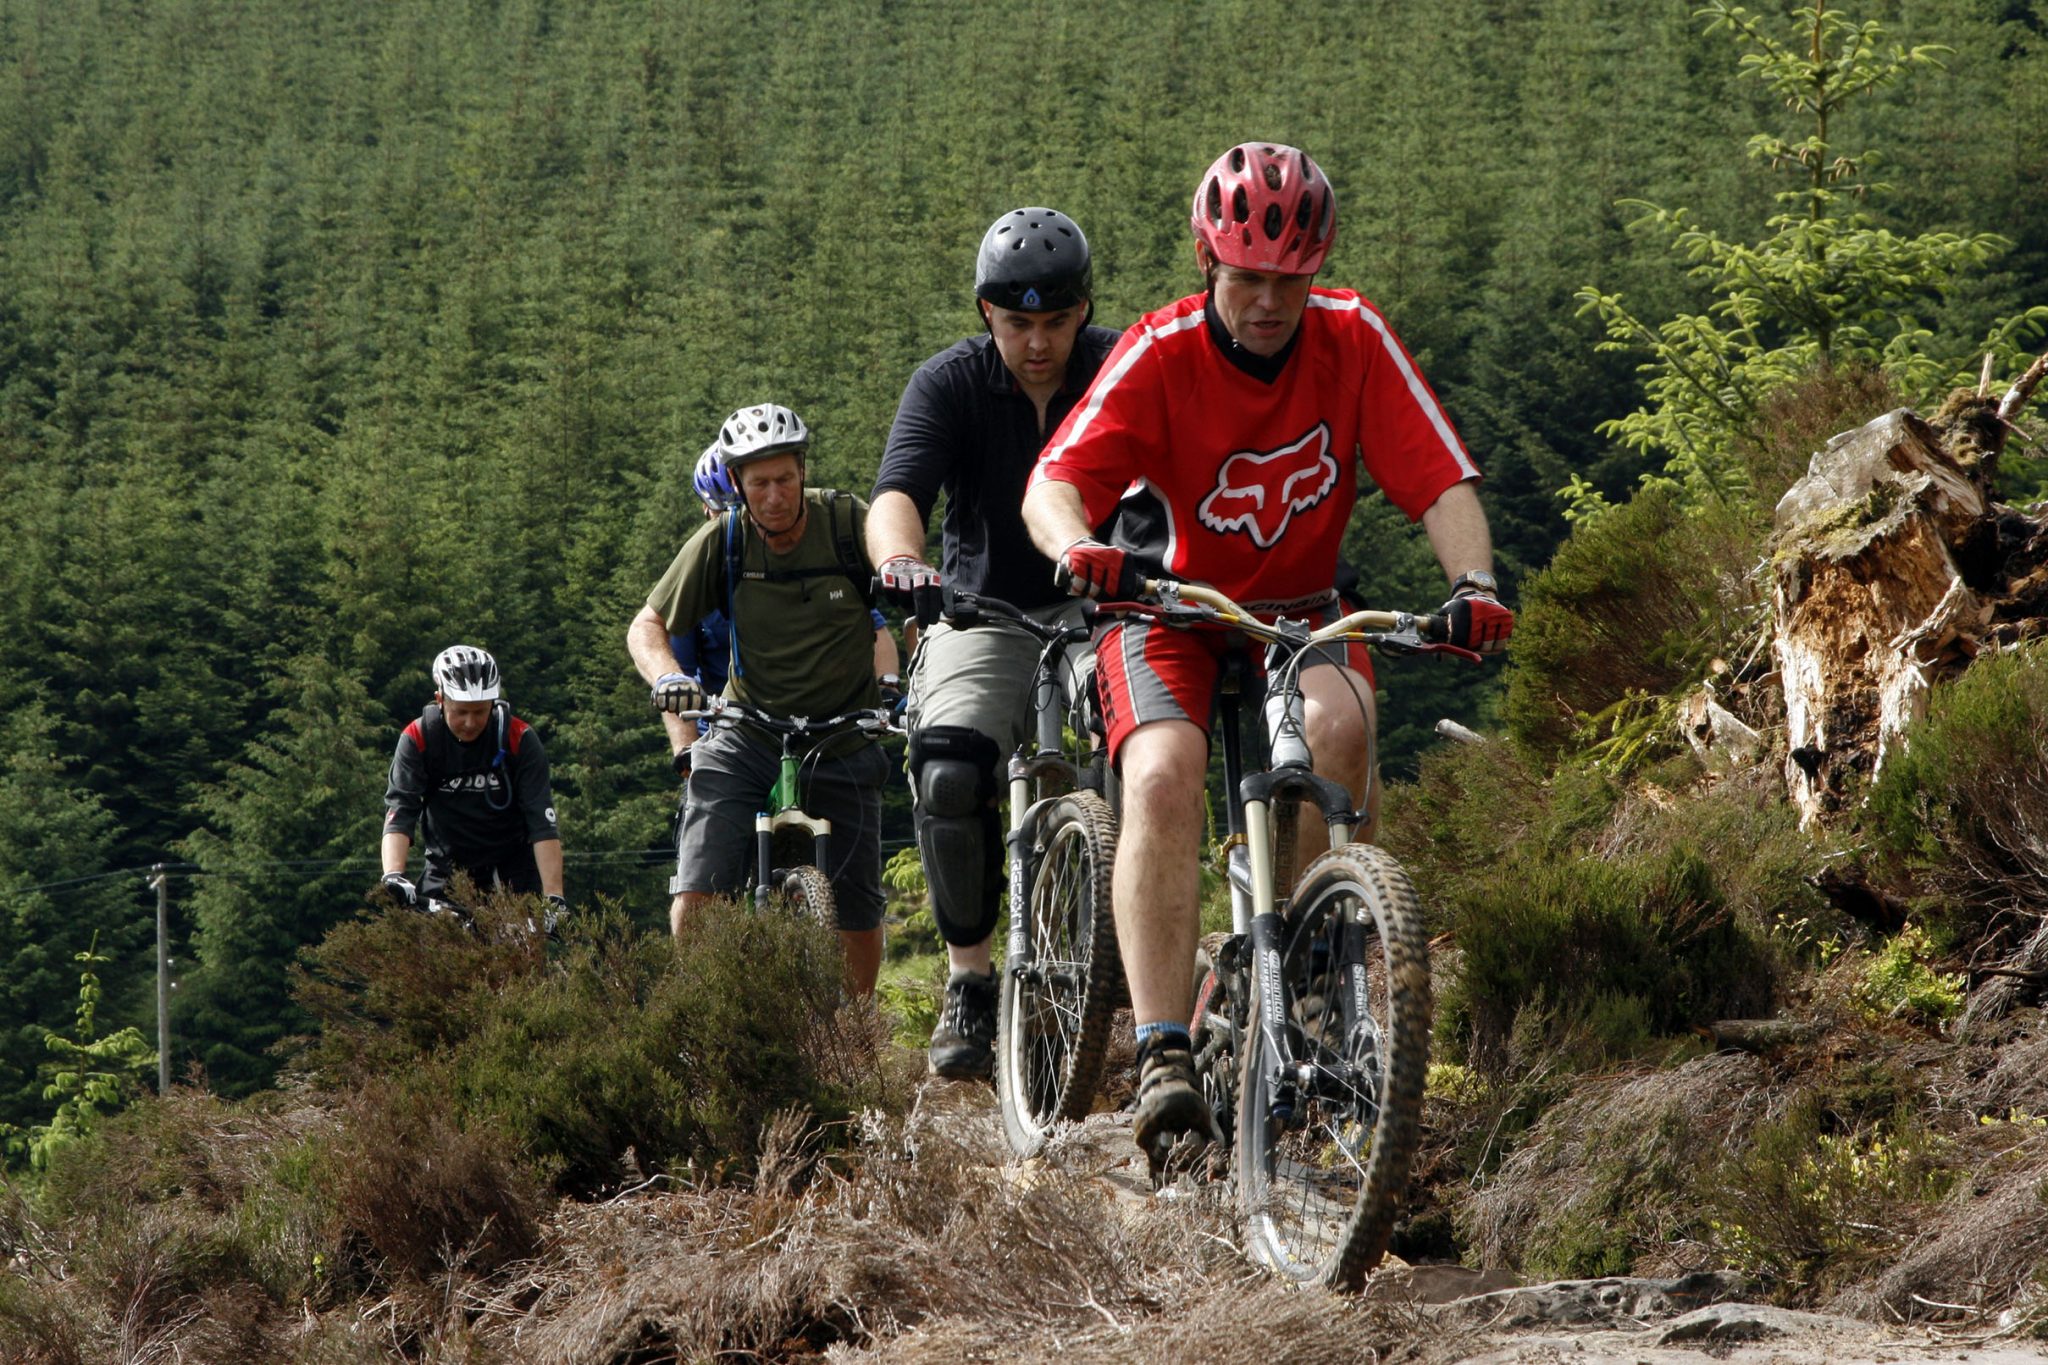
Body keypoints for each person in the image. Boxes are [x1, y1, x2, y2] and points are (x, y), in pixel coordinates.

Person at [1020, 142, 1514, 1158]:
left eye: (1288, 279)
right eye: (1245, 277)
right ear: (1208, 263)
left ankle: (1297, 964)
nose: (1267, 301)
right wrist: (1079, 546)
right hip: (1166, 607)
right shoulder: (1158, 353)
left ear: (1314, 270)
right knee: (1161, 775)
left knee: (1343, 730)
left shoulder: (1352, 338)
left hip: (1296, 610)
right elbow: (1052, 482)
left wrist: (1472, 586)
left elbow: (1437, 481)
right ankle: (1161, 1045)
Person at [867, 206, 1121, 1079]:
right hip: (983, 611)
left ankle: (1121, 950)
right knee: (947, 770)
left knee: (1148, 747)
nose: (1039, 342)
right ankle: (971, 979)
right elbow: (898, 491)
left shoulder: (1124, 369)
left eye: (1056, 322)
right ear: (986, 313)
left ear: (1084, 311)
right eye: (1018, 324)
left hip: (1107, 611)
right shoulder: (947, 384)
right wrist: (902, 559)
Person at [627, 403, 896, 995]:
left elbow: (902, 595)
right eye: (757, 484)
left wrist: (900, 685)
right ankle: (699, 1016)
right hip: (746, 730)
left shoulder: (849, 523)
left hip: (843, 733)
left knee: (858, 908)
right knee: (698, 885)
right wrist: (669, 679)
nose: (773, 495)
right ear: (738, 486)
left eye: (784, 479)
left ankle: (853, 1038)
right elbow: (645, 627)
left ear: (803, 471)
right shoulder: (723, 540)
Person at [663, 445, 900, 784]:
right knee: (704, 819)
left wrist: (886, 687)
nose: (741, 521)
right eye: (723, 512)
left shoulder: (815, 551)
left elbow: (874, 633)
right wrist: (685, 750)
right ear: (706, 511)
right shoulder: (704, 567)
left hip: (820, 727)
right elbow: (681, 672)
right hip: (728, 729)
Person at [379, 645, 567, 924]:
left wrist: (554, 898)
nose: (470, 723)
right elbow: (401, 810)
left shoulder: (519, 739)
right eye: (461, 711)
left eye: (480, 712)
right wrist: (394, 875)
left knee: (521, 963)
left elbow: (542, 822)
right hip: (446, 870)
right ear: (440, 699)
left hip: (512, 870)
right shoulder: (419, 738)